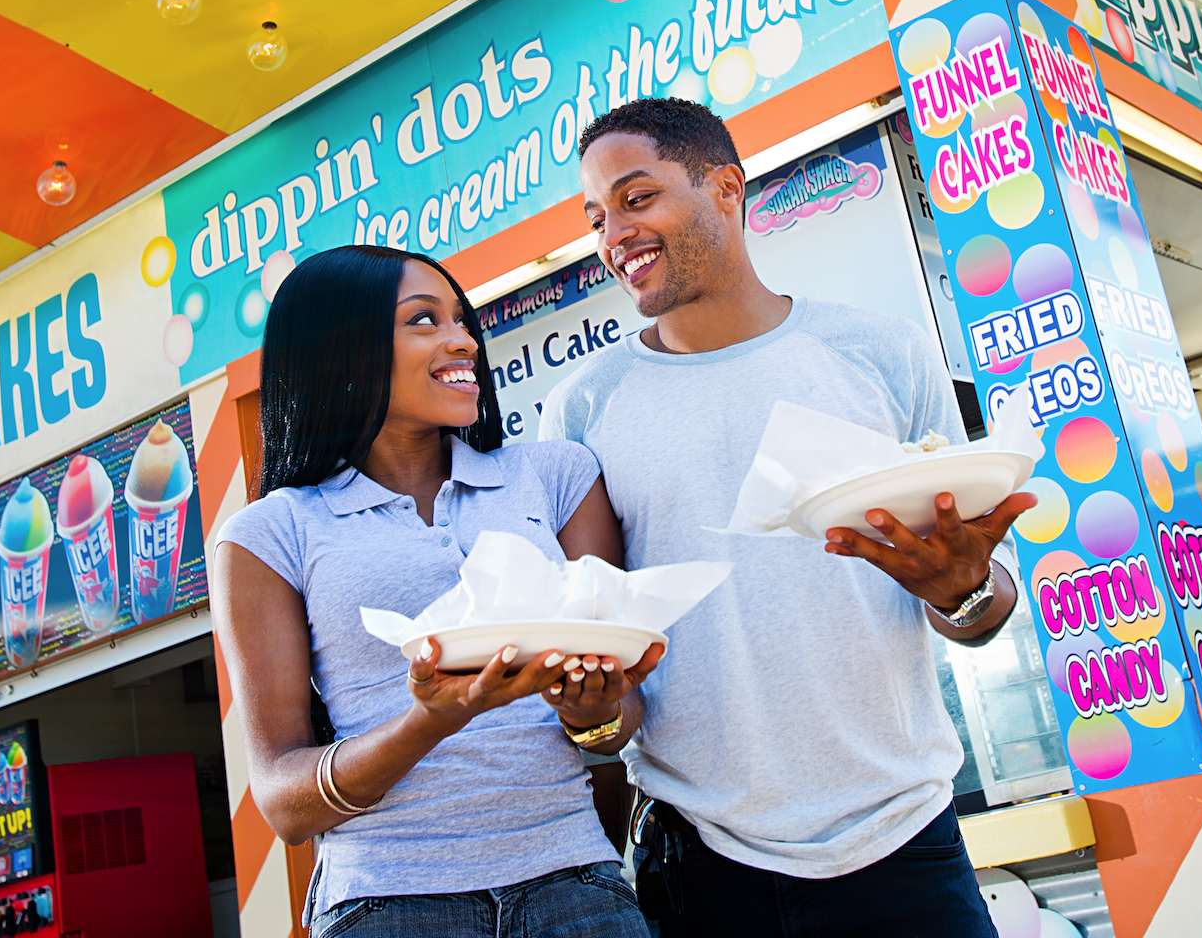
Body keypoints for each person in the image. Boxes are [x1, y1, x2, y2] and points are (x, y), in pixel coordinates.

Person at [541, 98, 1033, 938]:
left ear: (725, 187)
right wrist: (587, 710)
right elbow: (608, 689)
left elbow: (978, 611)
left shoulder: (883, 353)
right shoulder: (581, 409)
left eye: (636, 197)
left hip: (905, 838)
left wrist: (964, 590)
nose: (613, 233)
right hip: (701, 860)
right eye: (596, 217)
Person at [215, 245, 657, 938]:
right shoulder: (270, 532)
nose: (463, 341)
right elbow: (283, 804)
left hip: (575, 888)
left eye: (461, 320)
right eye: (424, 320)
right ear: (344, 351)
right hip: (387, 906)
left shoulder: (556, 478)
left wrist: (593, 709)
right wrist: (431, 719)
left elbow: (620, 722)